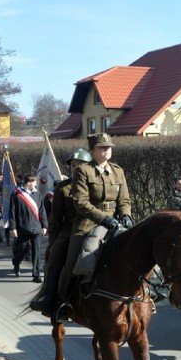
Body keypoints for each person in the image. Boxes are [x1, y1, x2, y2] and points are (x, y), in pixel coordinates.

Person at [56, 133, 132, 321]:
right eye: (102, 147)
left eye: (109, 147)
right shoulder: (83, 171)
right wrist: (103, 219)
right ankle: (62, 301)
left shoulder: (118, 171)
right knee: (72, 262)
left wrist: (126, 215)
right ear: (92, 151)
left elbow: (124, 199)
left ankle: (146, 293)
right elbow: (80, 203)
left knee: (136, 250)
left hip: (116, 222)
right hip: (87, 223)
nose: (107, 150)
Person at [30, 148, 92, 316]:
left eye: (81, 165)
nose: (76, 168)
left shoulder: (95, 186)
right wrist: (53, 241)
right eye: (73, 165)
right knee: (55, 255)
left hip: (94, 227)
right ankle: (50, 298)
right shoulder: (63, 188)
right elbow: (56, 218)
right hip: (69, 229)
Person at [9, 175, 48, 282]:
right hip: (22, 227)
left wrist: (44, 225)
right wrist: (13, 228)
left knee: (36, 252)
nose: (35, 184)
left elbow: (42, 211)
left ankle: (36, 275)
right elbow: (12, 212)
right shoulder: (16, 194)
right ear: (28, 183)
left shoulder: (37, 194)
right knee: (20, 250)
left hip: (36, 228)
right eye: (34, 182)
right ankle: (16, 263)